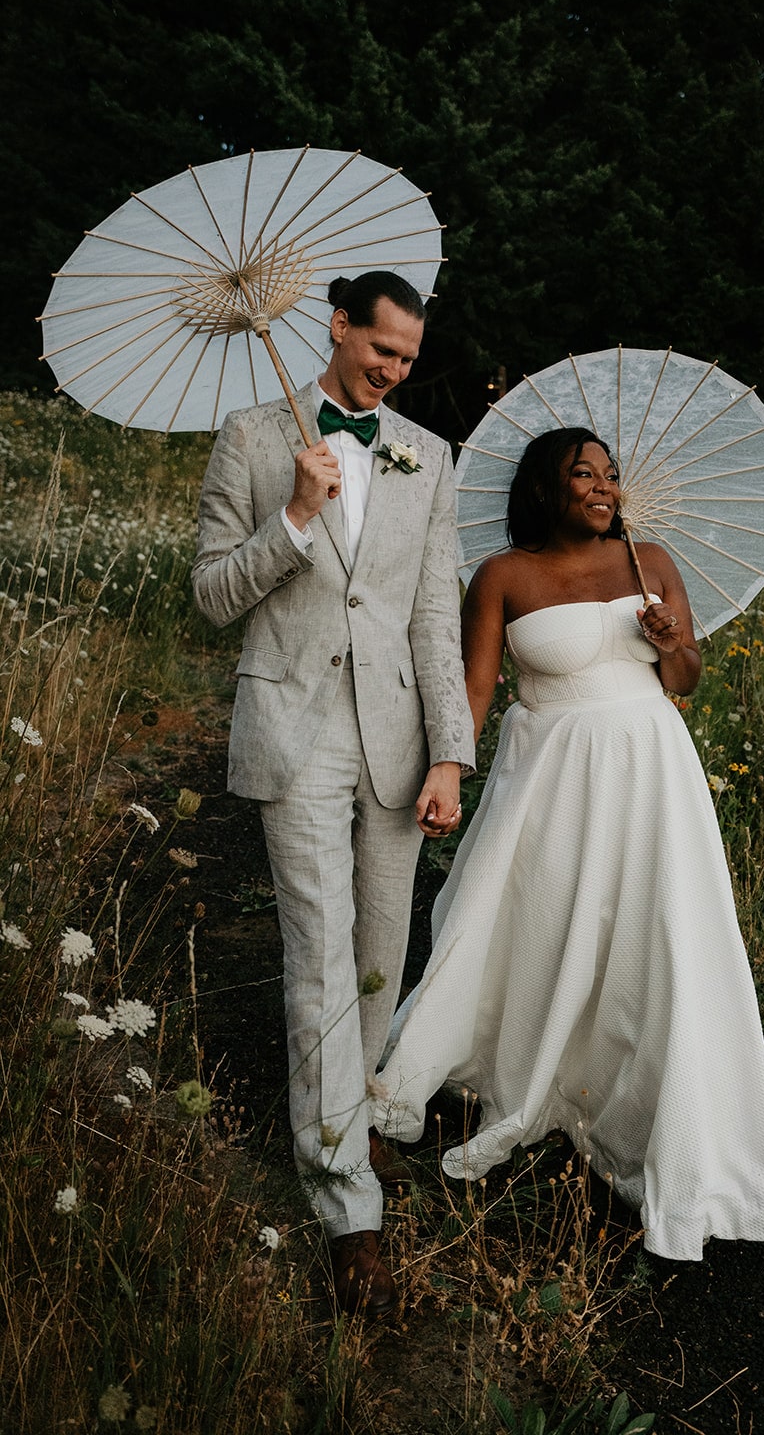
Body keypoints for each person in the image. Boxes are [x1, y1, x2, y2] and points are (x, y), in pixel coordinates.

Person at [373, 426, 764, 1261]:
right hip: (551, 776)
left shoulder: (650, 559)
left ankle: (648, 1113)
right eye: (582, 475)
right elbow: (476, 687)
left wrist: (674, 642)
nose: (603, 488)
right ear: (544, 488)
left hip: (650, 769)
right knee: (535, 921)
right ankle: (525, 1074)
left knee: (655, 933)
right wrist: (448, 771)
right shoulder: (502, 575)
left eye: (609, 475)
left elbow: (684, 682)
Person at [192, 271, 475, 1317]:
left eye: (406, 357)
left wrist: (449, 753)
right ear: (336, 327)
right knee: (316, 952)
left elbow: (433, 616)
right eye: (378, 350)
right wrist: (297, 514)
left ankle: (344, 1117)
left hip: (396, 739)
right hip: (293, 727)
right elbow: (213, 593)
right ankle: (344, 1201)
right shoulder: (251, 437)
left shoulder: (426, 454)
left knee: (375, 955)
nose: (392, 370)